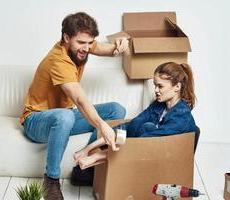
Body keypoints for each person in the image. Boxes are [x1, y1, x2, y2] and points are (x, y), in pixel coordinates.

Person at [20, 12, 128, 200]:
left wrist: (121, 44)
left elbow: (106, 49)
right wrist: (102, 125)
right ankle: (51, 180)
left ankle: (83, 169)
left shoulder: (81, 43)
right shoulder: (58, 60)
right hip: (36, 120)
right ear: (66, 38)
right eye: (81, 43)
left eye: (89, 42)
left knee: (116, 110)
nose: (86, 48)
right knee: (65, 116)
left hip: (65, 117)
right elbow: (80, 100)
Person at [74, 62, 197, 170]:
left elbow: (144, 142)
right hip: (143, 152)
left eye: (160, 86)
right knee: (137, 124)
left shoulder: (182, 116)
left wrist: (97, 156)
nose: (155, 90)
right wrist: (87, 149)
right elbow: (129, 127)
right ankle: (96, 161)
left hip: (166, 162)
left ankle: (99, 161)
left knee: (147, 128)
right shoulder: (158, 105)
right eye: (155, 85)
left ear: (177, 87)